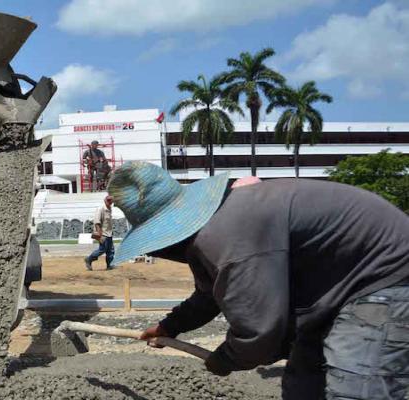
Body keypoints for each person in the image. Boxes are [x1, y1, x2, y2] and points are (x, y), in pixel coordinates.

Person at [107, 162, 409, 400]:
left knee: (356, 385)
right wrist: (169, 326)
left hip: (383, 276)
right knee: (303, 384)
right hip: (335, 287)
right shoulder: (218, 226)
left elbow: (259, 331)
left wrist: (224, 359)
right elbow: (210, 295)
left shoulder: (229, 235)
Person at [84, 195, 115, 271]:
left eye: (111, 201)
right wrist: (99, 234)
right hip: (103, 233)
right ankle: (89, 259)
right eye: (108, 200)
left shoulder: (109, 208)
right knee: (102, 250)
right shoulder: (101, 209)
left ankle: (109, 265)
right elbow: (97, 222)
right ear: (105, 200)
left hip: (109, 233)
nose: (110, 202)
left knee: (110, 250)